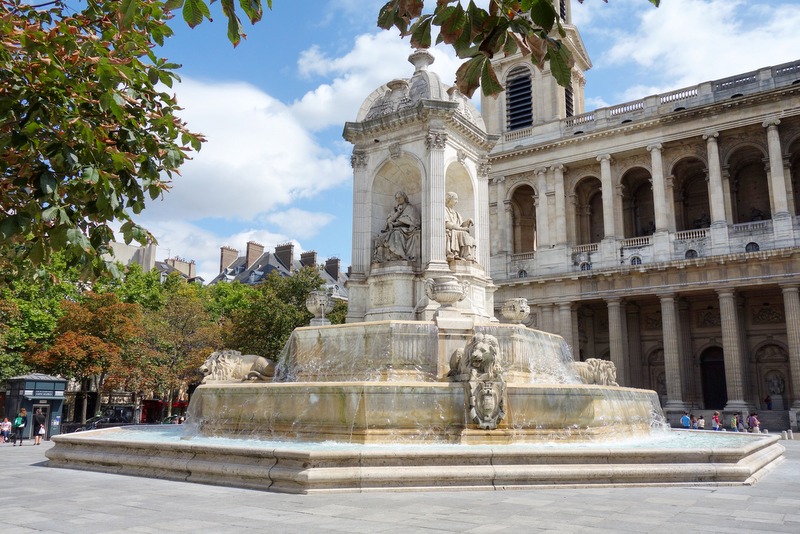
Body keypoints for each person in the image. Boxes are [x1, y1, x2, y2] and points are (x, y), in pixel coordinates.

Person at [373, 191, 420, 262]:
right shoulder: (395, 209)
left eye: (400, 198)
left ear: (404, 198)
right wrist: (398, 213)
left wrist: (397, 223)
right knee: (381, 237)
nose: (398, 199)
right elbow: (389, 221)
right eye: (396, 198)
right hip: (394, 229)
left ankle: (400, 255)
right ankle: (382, 258)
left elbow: (412, 221)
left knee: (396, 233)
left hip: (407, 230)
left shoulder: (410, 208)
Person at [444, 191, 476, 262]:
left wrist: (468, 221)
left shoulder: (456, 213)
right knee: (464, 234)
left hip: (457, 231)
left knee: (471, 239)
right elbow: (447, 223)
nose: (457, 201)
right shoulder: (444, 210)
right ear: (449, 199)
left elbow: (461, 224)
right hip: (451, 231)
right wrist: (461, 228)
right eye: (455, 199)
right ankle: (465, 255)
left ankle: (467, 255)